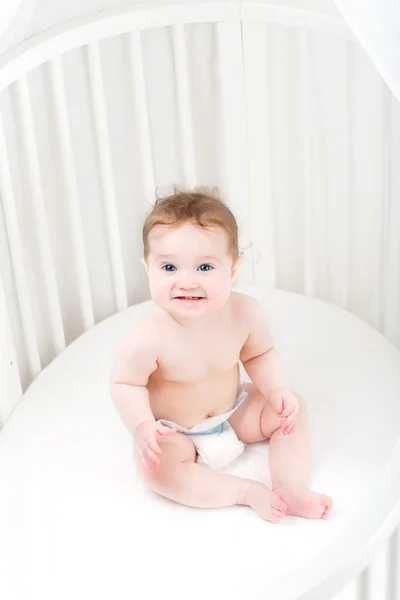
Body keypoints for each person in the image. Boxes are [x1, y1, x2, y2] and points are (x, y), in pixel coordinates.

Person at [111, 188, 332, 522]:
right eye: (169, 267)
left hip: (233, 412)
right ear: (148, 269)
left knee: (291, 410)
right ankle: (244, 492)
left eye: (204, 267)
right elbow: (126, 383)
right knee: (158, 469)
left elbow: (260, 355)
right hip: (177, 432)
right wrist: (143, 426)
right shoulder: (148, 336)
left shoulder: (245, 313)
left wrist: (276, 392)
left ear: (232, 270)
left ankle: (288, 486)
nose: (186, 281)